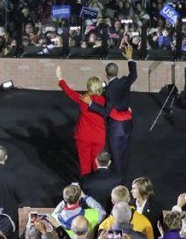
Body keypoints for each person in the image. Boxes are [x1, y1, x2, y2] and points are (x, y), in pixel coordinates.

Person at [87, 42, 137, 176]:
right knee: (124, 153)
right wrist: (130, 59)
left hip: (116, 126)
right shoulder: (125, 81)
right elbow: (134, 75)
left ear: (106, 74)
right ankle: (123, 177)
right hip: (128, 123)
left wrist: (91, 104)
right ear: (117, 72)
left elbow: (105, 112)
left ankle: (118, 182)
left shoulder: (108, 91)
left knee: (116, 155)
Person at [57, 66, 109, 176]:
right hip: (98, 137)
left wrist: (60, 79)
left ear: (88, 86)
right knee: (97, 163)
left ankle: (87, 184)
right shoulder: (105, 101)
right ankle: (98, 182)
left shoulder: (83, 99)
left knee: (84, 163)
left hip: (83, 136)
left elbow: (69, 92)